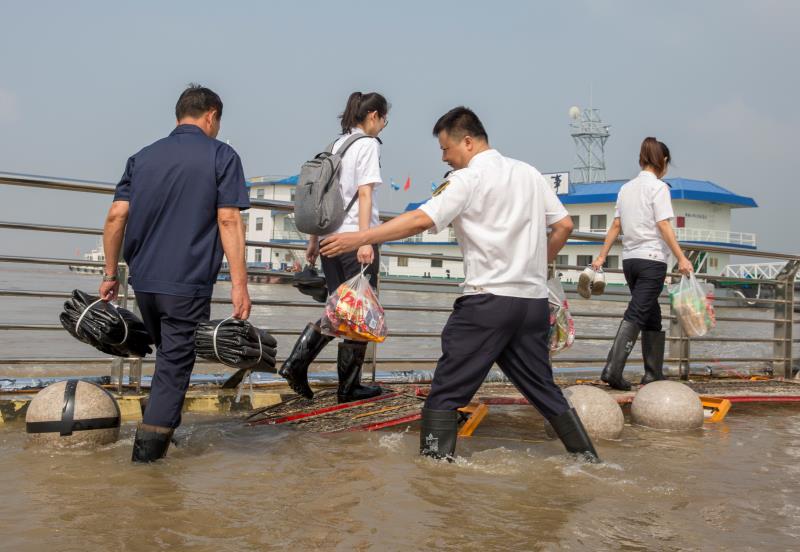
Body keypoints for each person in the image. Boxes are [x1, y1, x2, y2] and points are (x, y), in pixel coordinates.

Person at [320, 107, 599, 461]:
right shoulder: (529, 173)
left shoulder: (467, 179)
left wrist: (361, 237)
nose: (444, 157)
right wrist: (535, 266)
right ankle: (590, 461)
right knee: (544, 390)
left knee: (444, 396)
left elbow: (420, 219)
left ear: (467, 142)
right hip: (531, 304)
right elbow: (564, 226)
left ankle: (434, 475)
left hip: (486, 305)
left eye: (445, 149)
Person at [99, 84, 251, 462]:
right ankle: (146, 466)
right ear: (211, 116)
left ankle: (165, 426)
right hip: (187, 282)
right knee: (174, 366)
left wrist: (110, 273)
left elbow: (116, 216)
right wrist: (240, 285)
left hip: (144, 282)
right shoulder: (222, 155)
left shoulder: (142, 157)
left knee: (168, 357)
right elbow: (229, 220)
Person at [279, 91, 389, 403]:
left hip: (329, 240)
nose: (383, 126)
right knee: (359, 311)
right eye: (384, 120)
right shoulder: (367, 145)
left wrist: (314, 240)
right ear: (373, 116)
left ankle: (297, 364)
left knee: (340, 308)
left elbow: (320, 199)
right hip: (354, 240)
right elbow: (364, 194)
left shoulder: (335, 145)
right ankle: (348, 387)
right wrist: (365, 239)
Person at [590, 137, 693, 391]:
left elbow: (616, 225)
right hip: (651, 261)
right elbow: (663, 224)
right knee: (637, 313)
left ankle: (653, 373)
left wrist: (602, 256)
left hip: (630, 262)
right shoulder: (659, 188)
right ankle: (613, 370)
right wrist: (681, 257)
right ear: (663, 161)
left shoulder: (626, 188)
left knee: (651, 314)